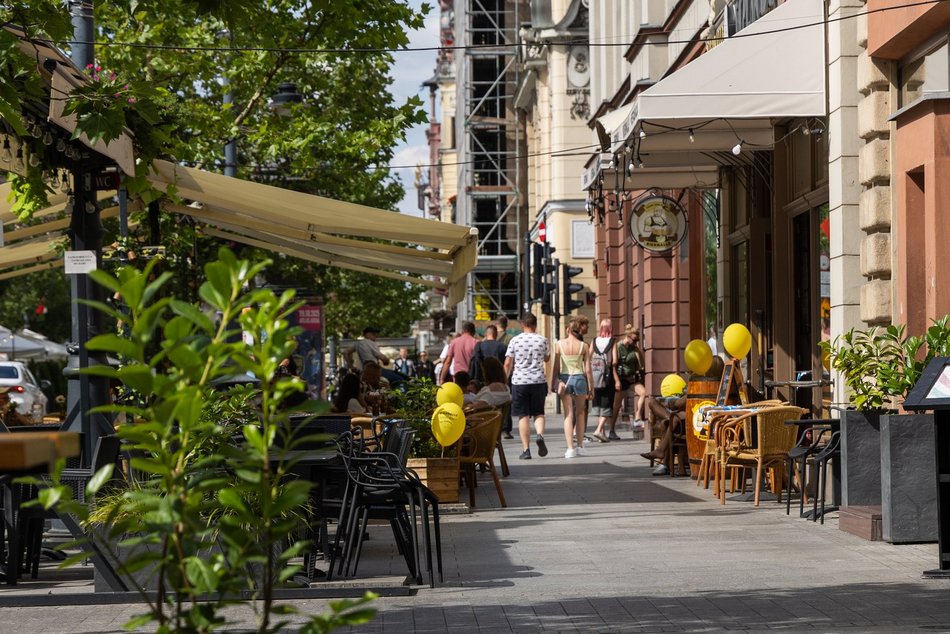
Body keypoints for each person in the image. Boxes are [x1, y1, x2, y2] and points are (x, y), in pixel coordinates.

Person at [504, 312, 550, 460]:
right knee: (539, 412)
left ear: (522, 325)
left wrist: (504, 379)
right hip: (538, 380)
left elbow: (508, 363)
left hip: (520, 382)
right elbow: (547, 358)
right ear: (535, 325)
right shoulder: (543, 340)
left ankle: (526, 450)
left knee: (523, 415)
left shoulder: (514, 341)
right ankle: (540, 435)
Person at [551, 320, 593, 458]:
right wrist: (591, 388)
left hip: (565, 380)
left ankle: (570, 449)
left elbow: (556, 367)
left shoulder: (559, 345)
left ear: (568, 329)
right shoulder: (584, 346)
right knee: (580, 413)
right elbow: (588, 370)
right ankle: (580, 446)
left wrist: (553, 382)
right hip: (580, 379)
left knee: (568, 414)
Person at [639, 393, 688, 476]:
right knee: (652, 402)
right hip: (677, 414)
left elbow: (678, 403)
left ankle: (662, 458)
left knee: (665, 424)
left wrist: (672, 403)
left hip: (685, 416)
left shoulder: (700, 386)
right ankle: (670, 419)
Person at [590, 319, 622, 443]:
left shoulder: (594, 340)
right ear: (610, 329)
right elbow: (614, 361)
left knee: (598, 404)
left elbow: (588, 355)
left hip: (596, 376)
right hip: (607, 376)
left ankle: (602, 434)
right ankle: (599, 429)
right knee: (607, 403)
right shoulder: (612, 341)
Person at [614, 324, 647, 438]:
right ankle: (612, 430)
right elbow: (613, 365)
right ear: (627, 337)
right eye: (634, 340)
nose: (635, 342)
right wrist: (616, 380)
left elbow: (642, 365)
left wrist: (638, 353)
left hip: (632, 378)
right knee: (617, 405)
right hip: (622, 378)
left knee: (643, 393)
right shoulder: (618, 346)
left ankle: (637, 418)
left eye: (637, 340)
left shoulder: (635, 348)